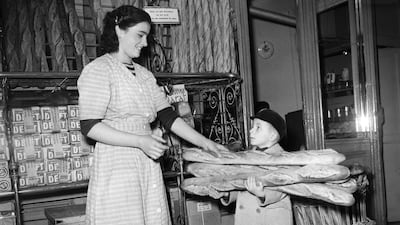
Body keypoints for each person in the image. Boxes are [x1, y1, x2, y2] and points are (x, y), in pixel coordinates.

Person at [77, 5, 227, 225]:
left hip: (147, 161)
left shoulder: (144, 75)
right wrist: (139, 140)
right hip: (117, 164)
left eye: (147, 36)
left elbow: (168, 116)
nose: (145, 43)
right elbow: (89, 126)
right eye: (140, 35)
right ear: (119, 30)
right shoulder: (99, 70)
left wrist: (206, 143)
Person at [219, 109, 293, 225]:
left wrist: (262, 193)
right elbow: (243, 184)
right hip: (248, 218)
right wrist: (228, 194)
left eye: (258, 128)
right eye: (252, 127)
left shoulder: (282, 159)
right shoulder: (248, 156)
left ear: (273, 136)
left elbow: (284, 187)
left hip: (270, 219)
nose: (251, 131)